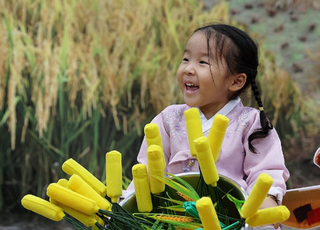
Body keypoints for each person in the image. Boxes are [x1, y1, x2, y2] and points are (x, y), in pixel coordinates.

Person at [127, 23, 290, 229]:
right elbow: (148, 171)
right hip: (174, 219)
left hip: (232, 219)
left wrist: (265, 202)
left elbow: (266, 172)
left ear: (236, 81)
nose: (188, 68)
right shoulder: (168, 119)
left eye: (203, 62)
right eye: (186, 59)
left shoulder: (251, 123)